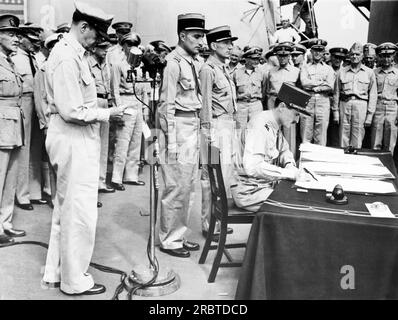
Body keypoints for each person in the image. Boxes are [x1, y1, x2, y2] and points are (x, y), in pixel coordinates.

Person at [42, 1, 128, 295]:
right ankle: (74, 280)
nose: (98, 42)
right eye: (96, 35)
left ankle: (57, 272)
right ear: (83, 27)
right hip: (72, 136)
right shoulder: (68, 57)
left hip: (72, 137)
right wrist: (109, 113)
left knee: (65, 209)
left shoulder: (73, 53)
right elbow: (71, 110)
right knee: (79, 212)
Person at [157, 13, 206, 258]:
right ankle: (169, 240)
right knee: (175, 186)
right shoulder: (172, 62)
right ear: (182, 36)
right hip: (177, 127)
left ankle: (179, 233)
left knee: (188, 186)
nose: (201, 41)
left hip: (192, 125)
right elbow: (166, 106)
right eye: (196, 36)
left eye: (202, 36)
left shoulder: (194, 62)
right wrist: (172, 142)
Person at [231, 100, 310, 212]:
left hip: (263, 186)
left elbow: (284, 150)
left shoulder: (271, 123)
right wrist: (288, 174)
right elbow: (252, 168)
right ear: (282, 106)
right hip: (250, 192)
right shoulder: (260, 125)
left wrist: (290, 165)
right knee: (298, 204)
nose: (297, 121)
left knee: (301, 195)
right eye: (296, 114)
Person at [199, 25, 238, 239]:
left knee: (224, 175)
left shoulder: (223, 67)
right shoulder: (208, 69)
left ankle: (219, 221)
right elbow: (205, 103)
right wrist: (208, 133)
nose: (231, 47)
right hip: (214, 128)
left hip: (226, 126)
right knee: (211, 176)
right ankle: (208, 224)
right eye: (227, 43)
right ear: (214, 46)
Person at [110, 32, 148, 190]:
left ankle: (131, 175)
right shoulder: (118, 64)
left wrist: (144, 108)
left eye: (135, 45)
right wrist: (118, 109)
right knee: (122, 142)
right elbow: (115, 89)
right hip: (125, 101)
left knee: (136, 141)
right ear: (124, 46)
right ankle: (116, 177)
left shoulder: (139, 66)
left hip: (137, 102)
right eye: (129, 44)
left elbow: (144, 87)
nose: (132, 48)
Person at [0, 14, 26, 246]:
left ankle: (5, 224)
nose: (16, 38)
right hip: (1, 126)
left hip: (14, 125)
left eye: (17, 34)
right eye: (10, 33)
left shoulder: (10, 61)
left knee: (10, 180)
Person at [33, 33, 62, 208]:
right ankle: (54, 196)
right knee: (53, 162)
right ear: (49, 50)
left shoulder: (63, 68)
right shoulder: (42, 70)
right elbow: (39, 101)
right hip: (51, 121)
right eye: (54, 47)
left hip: (66, 122)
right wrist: (45, 124)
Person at [333, 42, 377, 149]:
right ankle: (344, 160)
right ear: (349, 55)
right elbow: (336, 93)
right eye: (352, 54)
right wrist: (335, 112)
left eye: (357, 54)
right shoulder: (341, 72)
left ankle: (355, 159)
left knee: (357, 135)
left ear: (362, 56)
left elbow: (373, 95)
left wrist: (370, 116)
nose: (354, 57)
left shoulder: (369, 73)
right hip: (345, 103)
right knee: (343, 134)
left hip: (361, 105)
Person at [88, 40, 115, 194]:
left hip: (104, 101)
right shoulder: (87, 63)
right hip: (94, 102)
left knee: (104, 145)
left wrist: (110, 102)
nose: (106, 51)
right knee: (93, 145)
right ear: (94, 48)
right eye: (103, 48)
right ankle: (91, 185)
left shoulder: (105, 64)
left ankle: (101, 182)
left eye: (107, 48)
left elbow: (108, 84)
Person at [265, 42, 300, 157]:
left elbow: (300, 93)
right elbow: (267, 91)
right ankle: (274, 162)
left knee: (289, 137)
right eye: (280, 56)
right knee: (273, 135)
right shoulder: (271, 72)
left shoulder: (296, 71)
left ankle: (290, 162)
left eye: (285, 56)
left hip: (289, 107)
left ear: (289, 56)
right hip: (274, 107)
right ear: (277, 56)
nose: (282, 58)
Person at [299, 39, 335, 146]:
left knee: (322, 131)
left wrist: (315, 88)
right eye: (315, 50)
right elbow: (304, 83)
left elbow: (329, 86)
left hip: (323, 100)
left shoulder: (328, 69)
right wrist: (320, 83)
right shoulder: (305, 67)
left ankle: (319, 159)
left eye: (320, 50)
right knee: (306, 130)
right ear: (311, 52)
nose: (317, 53)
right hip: (308, 99)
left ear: (324, 52)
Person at [370, 43, 398, 153]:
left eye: (389, 56)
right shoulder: (374, 72)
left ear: (393, 56)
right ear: (379, 57)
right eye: (383, 56)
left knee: (390, 143)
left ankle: (389, 167)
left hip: (392, 108)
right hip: (378, 107)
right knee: (375, 142)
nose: (386, 59)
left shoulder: (397, 73)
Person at [233, 46, 265, 130]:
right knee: (240, 131)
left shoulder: (262, 73)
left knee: (256, 130)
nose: (256, 61)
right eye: (253, 59)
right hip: (241, 105)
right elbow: (233, 91)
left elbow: (264, 89)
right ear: (246, 59)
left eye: (258, 59)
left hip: (256, 105)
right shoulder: (236, 73)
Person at [327, 47, 348, 147]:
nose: (338, 60)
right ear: (331, 57)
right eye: (335, 57)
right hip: (325, 102)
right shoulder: (325, 69)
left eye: (340, 58)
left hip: (339, 106)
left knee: (337, 134)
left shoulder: (345, 72)